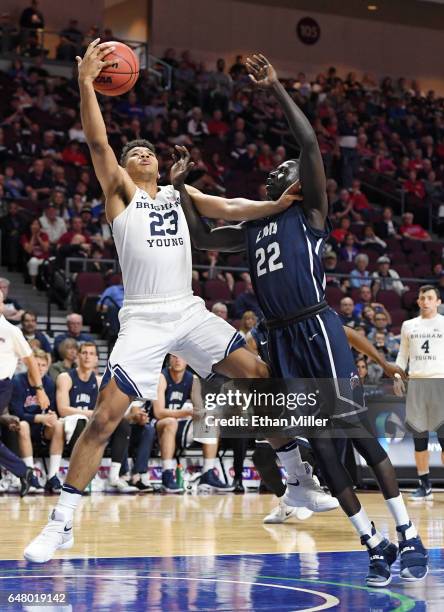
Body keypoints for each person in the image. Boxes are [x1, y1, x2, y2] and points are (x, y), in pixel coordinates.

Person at [24, 39, 296, 563]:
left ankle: (298, 478)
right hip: (146, 318)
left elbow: (229, 206)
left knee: (259, 376)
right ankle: (62, 522)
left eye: (147, 151)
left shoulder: (177, 194)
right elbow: (101, 146)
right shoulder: (122, 194)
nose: (141, 153)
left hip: (189, 310)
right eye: (134, 153)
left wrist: (276, 204)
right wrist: (85, 84)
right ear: (125, 171)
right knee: (105, 418)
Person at [183, 53, 427, 586]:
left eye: (283, 169)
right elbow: (202, 237)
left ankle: (408, 531)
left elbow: (311, 145)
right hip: (283, 339)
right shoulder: (253, 226)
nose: (276, 170)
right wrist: (180, 188)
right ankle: (374, 541)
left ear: (300, 183)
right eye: (273, 170)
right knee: (319, 444)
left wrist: (274, 88)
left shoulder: (310, 212)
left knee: (357, 434)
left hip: (317, 327)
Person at [55, 342, 136, 493]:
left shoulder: (100, 381)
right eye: (84, 353)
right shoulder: (65, 377)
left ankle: (114, 476)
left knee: (122, 423)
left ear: (97, 359)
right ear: (78, 356)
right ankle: (76, 478)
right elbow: (63, 409)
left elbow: (109, 410)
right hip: (70, 422)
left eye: (91, 354)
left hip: (92, 423)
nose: (87, 357)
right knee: (80, 421)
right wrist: (92, 414)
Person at [152, 355, 233, 493]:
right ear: (169, 360)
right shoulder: (162, 377)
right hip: (159, 425)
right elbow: (158, 412)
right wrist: (186, 413)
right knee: (170, 422)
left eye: (181, 357)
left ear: (187, 360)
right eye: (174, 357)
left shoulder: (192, 379)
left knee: (210, 420)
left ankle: (207, 474)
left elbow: (198, 410)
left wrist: (205, 413)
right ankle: (167, 474)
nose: (178, 360)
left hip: (181, 425)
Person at [394, 286, 444, 501]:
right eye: (422, 298)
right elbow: (402, 355)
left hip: (440, 382)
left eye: (429, 298)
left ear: (438, 302)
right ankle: (425, 485)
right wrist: (397, 376)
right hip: (416, 383)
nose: (425, 301)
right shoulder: (408, 325)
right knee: (419, 437)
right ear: (418, 301)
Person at [0, 289, 50, 497]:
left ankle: (23, 471)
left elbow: (30, 361)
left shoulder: (10, 330)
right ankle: (25, 472)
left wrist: (39, 390)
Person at [10, 349, 63, 494]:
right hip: (20, 428)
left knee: (58, 425)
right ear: (30, 365)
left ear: (48, 367)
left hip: (42, 428)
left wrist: (51, 415)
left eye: (43, 365)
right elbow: (17, 413)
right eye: (36, 364)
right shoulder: (18, 381)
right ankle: (30, 475)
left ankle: (52, 477)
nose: (39, 369)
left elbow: (52, 409)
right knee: (24, 425)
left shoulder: (49, 383)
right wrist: (40, 418)